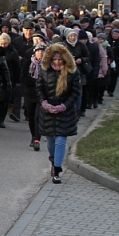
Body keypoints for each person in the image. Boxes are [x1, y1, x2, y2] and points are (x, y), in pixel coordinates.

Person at [37, 44, 81, 185]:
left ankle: (57, 170)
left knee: (61, 141)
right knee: (50, 141)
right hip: (48, 111)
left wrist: (64, 106)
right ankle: (53, 158)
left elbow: (75, 92)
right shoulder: (44, 71)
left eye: (59, 59)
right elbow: (39, 88)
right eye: (54, 59)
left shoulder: (72, 73)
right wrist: (45, 104)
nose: (57, 62)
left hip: (65, 112)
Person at [23, 42, 48, 150]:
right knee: (31, 117)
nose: (40, 53)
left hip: (42, 95)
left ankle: (37, 139)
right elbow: (23, 77)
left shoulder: (48, 65)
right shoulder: (29, 63)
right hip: (30, 93)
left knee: (38, 116)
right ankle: (33, 136)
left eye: (42, 51)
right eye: (38, 51)